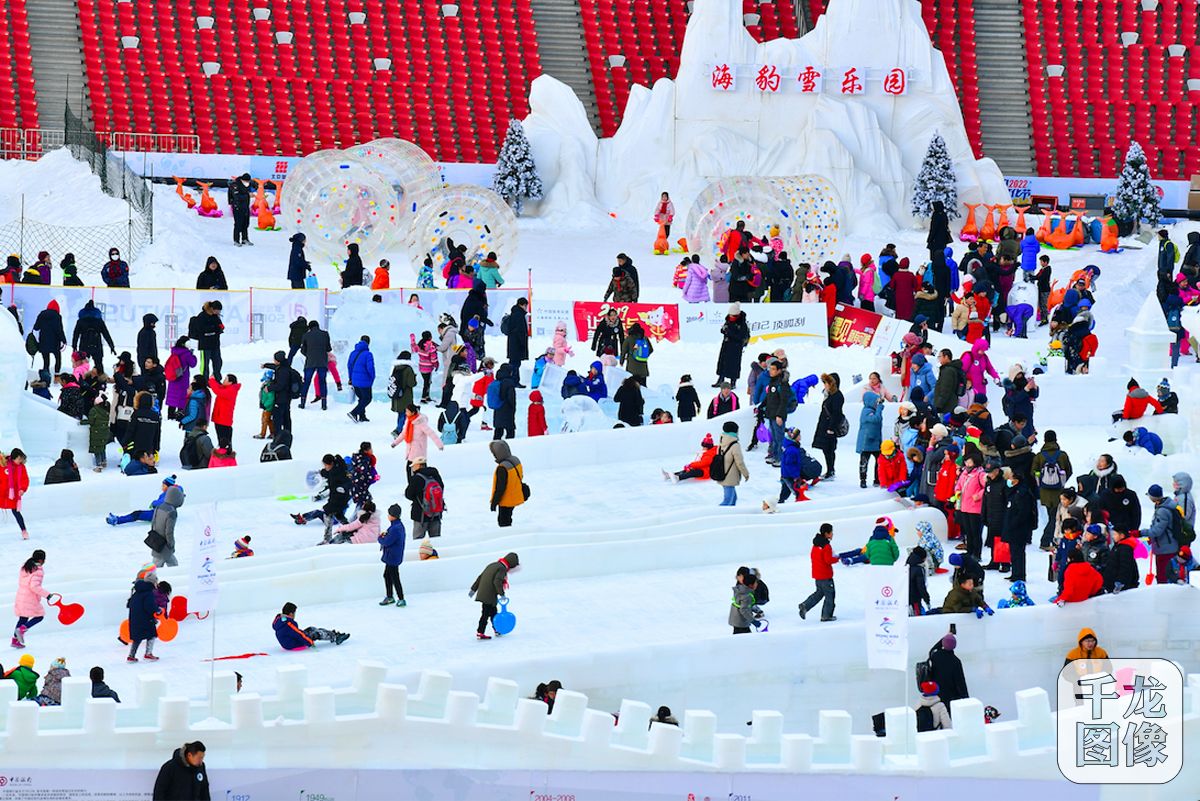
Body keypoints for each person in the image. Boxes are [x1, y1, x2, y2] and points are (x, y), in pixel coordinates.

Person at [1032, 431, 1072, 548]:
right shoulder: (1062, 455)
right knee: (1055, 517)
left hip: (1044, 492)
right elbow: (1069, 470)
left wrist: (1042, 482)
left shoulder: (1039, 456)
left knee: (1052, 516)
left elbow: (1033, 472)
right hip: (1059, 492)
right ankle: (1045, 541)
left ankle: (1051, 540)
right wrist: (1061, 481)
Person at [1002, 467, 1036, 583]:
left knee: (1018, 553)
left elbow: (1023, 512)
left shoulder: (1023, 493)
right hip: (1013, 527)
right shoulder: (1014, 491)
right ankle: (1015, 573)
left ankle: (1019, 575)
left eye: (1011, 478)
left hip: (1019, 528)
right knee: (1013, 552)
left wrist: (1014, 523)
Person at [799, 524, 838, 621]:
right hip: (825, 575)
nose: (832, 534)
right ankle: (826, 616)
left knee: (819, 593)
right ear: (827, 534)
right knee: (830, 596)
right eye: (831, 532)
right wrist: (837, 558)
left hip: (817, 575)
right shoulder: (826, 546)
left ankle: (805, 605)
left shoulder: (816, 544)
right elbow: (828, 560)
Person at [272, 602, 349, 649]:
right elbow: (299, 635)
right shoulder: (289, 624)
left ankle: (331, 634)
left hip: (287, 642)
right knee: (316, 633)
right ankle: (336, 637)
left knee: (311, 628)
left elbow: (294, 632)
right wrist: (310, 643)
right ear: (291, 614)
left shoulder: (280, 619)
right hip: (292, 644)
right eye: (295, 613)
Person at [1145, 484, 1182, 584]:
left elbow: (1157, 531)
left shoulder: (1162, 511)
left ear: (1153, 497)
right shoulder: (1165, 506)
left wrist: (1141, 533)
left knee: (1163, 577)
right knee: (1168, 574)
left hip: (1165, 548)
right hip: (1168, 546)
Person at [13, 549, 50, 647]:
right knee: (39, 616)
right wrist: (47, 595)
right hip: (30, 598)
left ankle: (15, 641)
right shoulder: (38, 570)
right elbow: (34, 586)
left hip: (21, 596)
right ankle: (22, 629)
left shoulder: (26, 567)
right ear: (41, 560)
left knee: (23, 618)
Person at [1063, 628, 1111, 703]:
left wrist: (1100, 678)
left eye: (1092, 641)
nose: (1090, 643)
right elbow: (1067, 673)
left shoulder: (1101, 653)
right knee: (1082, 708)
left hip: (1098, 688)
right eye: (1087, 641)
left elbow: (1108, 669)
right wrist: (1078, 681)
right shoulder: (1072, 655)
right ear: (1081, 641)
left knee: (1099, 707)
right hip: (1080, 690)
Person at [927, 634, 969, 715]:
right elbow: (960, 682)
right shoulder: (955, 661)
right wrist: (966, 699)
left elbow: (933, 649)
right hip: (951, 697)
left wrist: (944, 639)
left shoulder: (935, 656)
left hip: (936, 694)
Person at [812, 373, 844, 480]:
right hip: (825, 426)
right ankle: (830, 470)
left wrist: (831, 428)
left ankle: (831, 471)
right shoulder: (828, 395)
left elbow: (836, 413)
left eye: (826, 383)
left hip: (830, 427)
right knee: (826, 449)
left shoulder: (837, 396)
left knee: (829, 449)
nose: (825, 385)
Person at [71, 300, 115, 374]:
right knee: (99, 364)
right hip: (96, 344)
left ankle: (81, 378)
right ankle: (100, 379)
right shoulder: (99, 321)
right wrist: (111, 346)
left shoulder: (80, 321)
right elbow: (106, 334)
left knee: (82, 365)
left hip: (84, 344)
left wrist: (74, 346)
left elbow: (76, 334)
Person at [405, 457, 445, 539]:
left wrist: (418, 499)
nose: (412, 468)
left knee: (418, 540)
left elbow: (408, 494)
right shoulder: (434, 474)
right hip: (436, 513)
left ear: (418, 465)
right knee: (436, 540)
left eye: (413, 466)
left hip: (421, 515)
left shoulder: (417, 478)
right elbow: (441, 487)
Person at [488, 441, 525, 527]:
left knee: (503, 522)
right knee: (508, 518)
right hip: (516, 495)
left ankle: (508, 535)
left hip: (506, 500)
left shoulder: (502, 468)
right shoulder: (515, 460)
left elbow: (500, 488)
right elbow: (520, 476)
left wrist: (494, 503)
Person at [378, 504, 407, 607]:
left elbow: (387, 542)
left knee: (394, 577)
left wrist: (380, 538)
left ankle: (401, 598)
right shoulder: (398, 526)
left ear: (392, 516)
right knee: (387, 575)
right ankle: (390, 596)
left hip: (392, 556)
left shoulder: (395, 528)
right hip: (394, 555)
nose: (388, 516)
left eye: (389, 514)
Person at [148, 485, 185, 567]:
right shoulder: (172, 512)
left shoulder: (159, 506)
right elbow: (169, 531)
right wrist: (171, 544)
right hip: (164, 545)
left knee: (171, 563)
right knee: (161, 565)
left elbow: (153, 523)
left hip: (156, 540)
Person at [126, 576, 161, 662]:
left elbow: (129, 604)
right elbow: (150, 606)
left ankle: (131, 656)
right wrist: (157, 610)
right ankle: (148, 654)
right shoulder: (148, 593)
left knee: (137, 637)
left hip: (134, 619)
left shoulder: (136, 592)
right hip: (146, 619)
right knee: (152, 635)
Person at [299, 320, 332, 410]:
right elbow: (328, 348)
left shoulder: (306, 335)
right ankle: (324, 404)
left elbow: (302, 350)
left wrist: (309, 354)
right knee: (322, 382)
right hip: (322, 362)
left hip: (310, 362)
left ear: (310, 327)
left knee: (306, 382)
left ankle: (302, 403)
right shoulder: (325, 334)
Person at [715, 420, 749, 506]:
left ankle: (731, 513)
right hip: (730, 476)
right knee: (728, 500)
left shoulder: (721, 442)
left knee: (733, 498)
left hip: (721, 473)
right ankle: (717, 513)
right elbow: (740, 462)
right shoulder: (735, 445)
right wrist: (746, 474)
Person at [715, 303, 749, 387]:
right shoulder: (728, 320)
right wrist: (724, 330)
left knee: (734, 364)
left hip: (736, 347)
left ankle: (733, 382)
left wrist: (729, 332)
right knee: (722, 362)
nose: (731, 317)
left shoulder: (742, 324)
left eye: (733, 316)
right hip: (726, 345)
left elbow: (740, 336)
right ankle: (721, 379)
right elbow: (723, 330)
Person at [189, 301, 224, 381]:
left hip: (215, 344)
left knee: (218, 362)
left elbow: (219, 326)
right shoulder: (202, 316)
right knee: (205, 365)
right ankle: (204, 380)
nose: (218, 312)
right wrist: (213, 329)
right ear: (212, 308)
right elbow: (201, 330)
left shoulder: (216, 317)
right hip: (205, 345)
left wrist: (219, 328)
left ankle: (217, 379)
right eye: (218, 310)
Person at [0, 449, 31, 540]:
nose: (20, 461)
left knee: (16, 512)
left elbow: (25, 479)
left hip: (14, 495)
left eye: (21, 459)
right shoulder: (3, 465)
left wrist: (22, 489)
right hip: (2, 492)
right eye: (19, 459)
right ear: (14, 458)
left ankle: (24, 531)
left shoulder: (21, 467)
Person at [205, 374, 239, 451]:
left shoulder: (231, 390)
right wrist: (213, 380)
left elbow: (217, 391)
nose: (223, 380)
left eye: (225, 379)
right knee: (221, 439)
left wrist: (212, 380)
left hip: (224, 419)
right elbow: (218, 387)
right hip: (219, 417)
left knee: (224, 440)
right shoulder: (226, 388)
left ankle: (225, 453)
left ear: (230, 382)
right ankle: (222, 452)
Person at [32, 300, 66, 374]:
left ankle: (46, 375)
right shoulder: (57, 316)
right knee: (58, 359)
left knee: (46, 361)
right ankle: (57, 374)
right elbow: (59, 330)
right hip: (55, 342)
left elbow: (36, 327)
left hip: (43, 341)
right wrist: (64, 340)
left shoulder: (41, 315)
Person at [347, 336, 376, 423]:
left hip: (355, 381)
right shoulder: (368, 354)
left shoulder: (353, 353)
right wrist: (372, 377)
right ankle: (354, 413)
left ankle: (362, 416)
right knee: (367, 398)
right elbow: (370, 368)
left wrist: (350, 378)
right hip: (365, 381)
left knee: (361, 398)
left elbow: (349, 367)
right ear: (368, 343)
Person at [728, 567, 764, 634]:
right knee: (745, 637)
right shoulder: (747, 596)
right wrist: (753, 621)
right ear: (751, 585)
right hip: (741, 622)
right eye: (756, 583)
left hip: (736, 619)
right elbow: (744, 610)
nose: (757, 584)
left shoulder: (740, 589)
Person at [503, 298, 530, 382]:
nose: (526, 308)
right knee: (515, 363)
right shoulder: (519, 315)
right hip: (517, 344)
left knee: (513, 362)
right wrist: (523, 343)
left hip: (513, 343)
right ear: (522, 305)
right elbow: (520, 331)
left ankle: (513, 380)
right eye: (526, 306)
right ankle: (514, 380)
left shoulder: (515, 313)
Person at [230, 172, 252, 246]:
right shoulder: (235, 185)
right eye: (246, 181)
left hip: (245, 206)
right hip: (238, 206)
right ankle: (236, 240)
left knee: (245, 223)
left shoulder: (247, 185)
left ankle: (244, 239)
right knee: (238, 223)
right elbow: (236, 197)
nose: (248, 183)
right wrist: (247, 195)